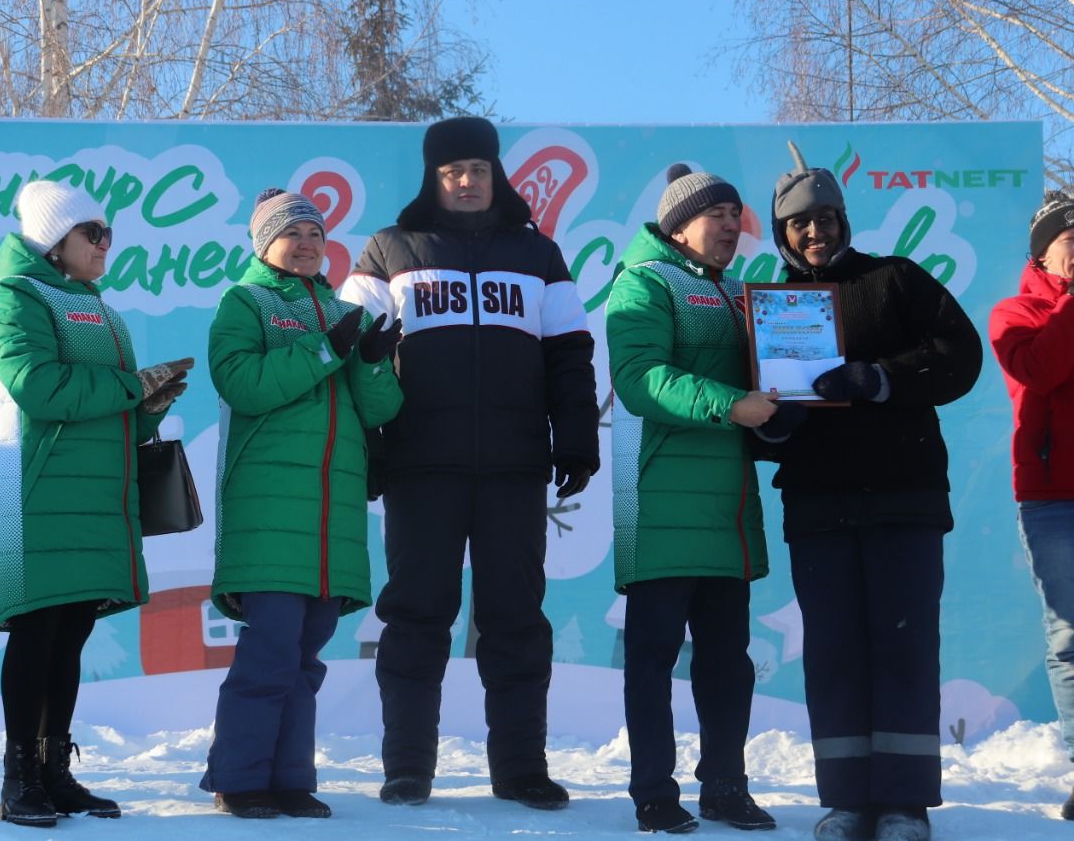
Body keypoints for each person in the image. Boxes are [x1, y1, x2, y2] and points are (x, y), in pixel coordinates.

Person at [338, 116, 600, 810]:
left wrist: (576, 437)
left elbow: (570, 354)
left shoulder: (538, 254)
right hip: (420, 467)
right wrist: (366, 445)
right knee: (416, 617)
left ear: (496, 175)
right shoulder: (389, 250)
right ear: (433, 177)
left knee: (516, 621)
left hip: (514, 469)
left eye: (478, 169)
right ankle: (407, 768)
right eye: (452, 170)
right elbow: (347, 352)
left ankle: (521, 769)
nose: (466, 181)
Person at [761, 143, 981, 841]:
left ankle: (905, 802)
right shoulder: (767, 308)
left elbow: (960, 356)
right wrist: (774, 422)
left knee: (903, 647)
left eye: (826, 217)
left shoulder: (895, 280)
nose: (816, 232)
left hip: (904, 499)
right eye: (800, 223)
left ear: (844, 220)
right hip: (819, 507)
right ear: (782, 234)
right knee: (832, 653)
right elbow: (750, 415)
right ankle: (848, 799)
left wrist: (876, 377)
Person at [0, 179, 194, 827]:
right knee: (37, 627)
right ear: (53, 241)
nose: (106, 244)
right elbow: (38, 388)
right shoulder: (14, 296)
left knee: (70, 632)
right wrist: (130, 386)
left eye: (107, 232)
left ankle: (54, 772)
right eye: (92, 233)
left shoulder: (99, 307)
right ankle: (19, 777)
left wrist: (146, 407)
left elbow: (107, 410)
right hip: (37, 489)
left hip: (99, 493)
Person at [198, 188, 403, 819]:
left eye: (316, 233)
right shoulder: (245, 302)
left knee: (306, 657)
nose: (309, 243)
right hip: (269, 510)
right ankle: (239, 779)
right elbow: (243, 384)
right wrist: (324, 350)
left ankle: (290, 780)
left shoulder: (345, 313)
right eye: (294, 234)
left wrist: (371, 363)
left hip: (332, 516)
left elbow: (383, 410)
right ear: (265, 244)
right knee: (269, 652)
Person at [606, 163, 786, 835]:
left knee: (727, 661)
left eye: (737, 216)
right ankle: (654, 790)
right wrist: (731, 404)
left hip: (726, 509)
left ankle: (725, 786)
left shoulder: (744, 292)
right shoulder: (644, 282)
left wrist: (790, 402)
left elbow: (777, 377)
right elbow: (639, 378)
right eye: (719, 215)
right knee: (651, 657)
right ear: (679, 225)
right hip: (654, 500)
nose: (732, 226)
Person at [989, 189, 1074, 822]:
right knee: (1070, 634)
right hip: (1052, 497)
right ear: (1042, 252)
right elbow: (1041, 371)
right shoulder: (1014, 312)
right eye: (1072, 239)